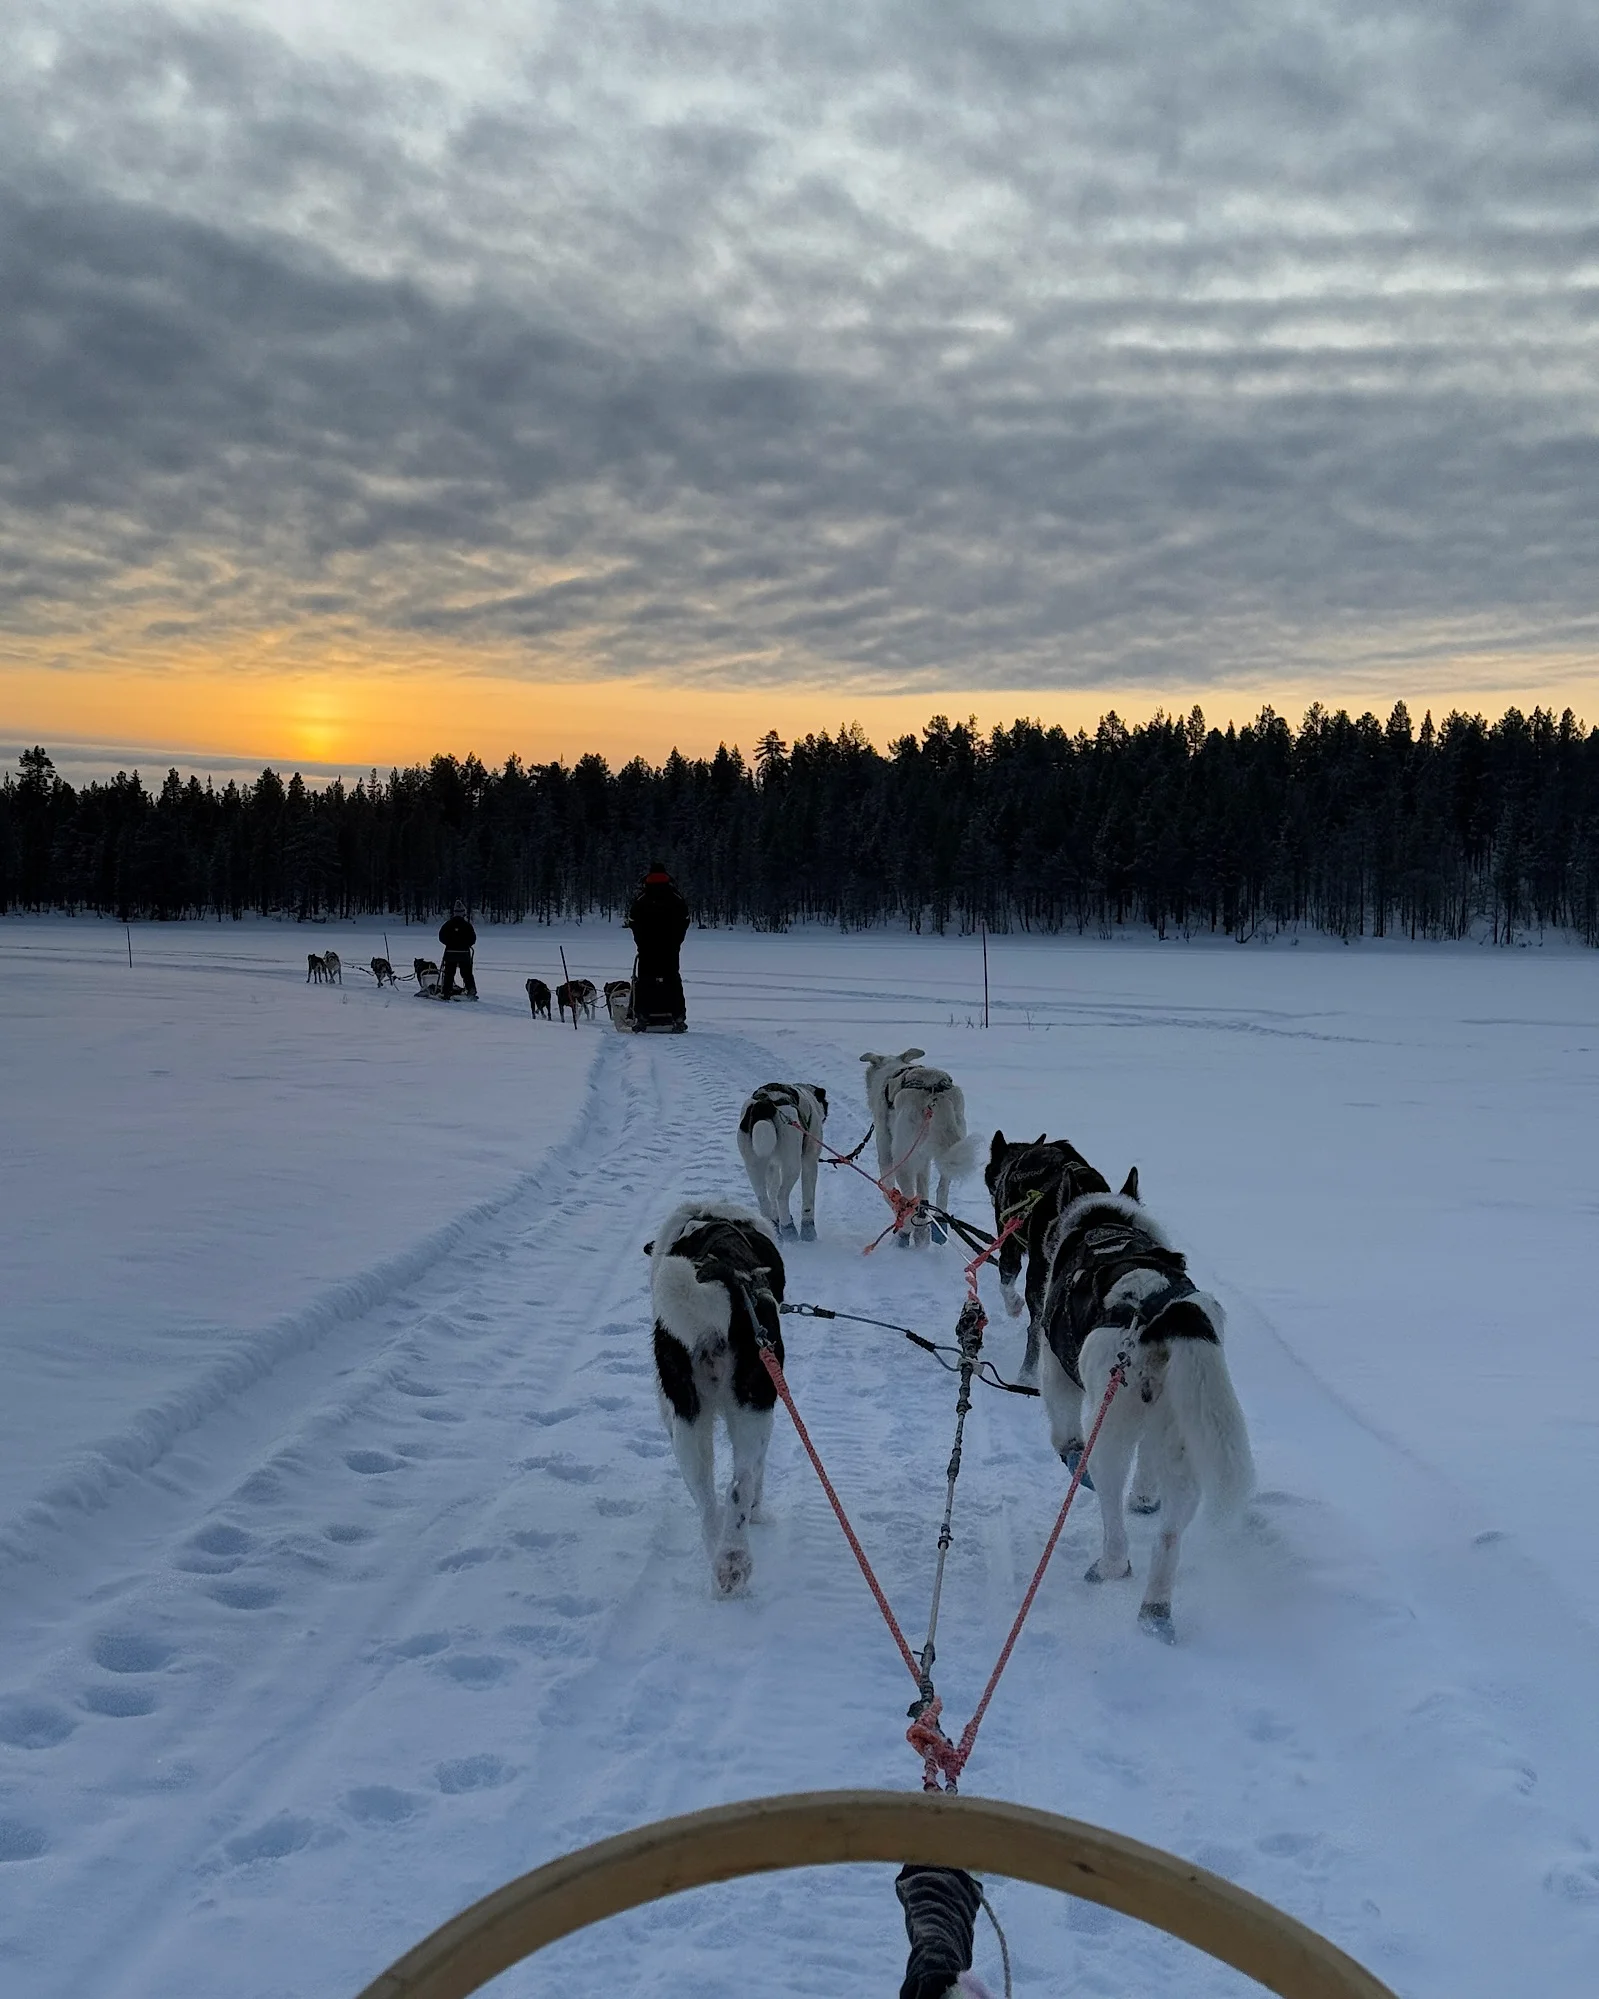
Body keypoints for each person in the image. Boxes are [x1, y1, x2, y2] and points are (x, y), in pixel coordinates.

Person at [626, 862, 689, 1030]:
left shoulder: (642, 897)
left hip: (647, 948)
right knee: (672, 979)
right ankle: (678, 1016)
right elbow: (685, 920)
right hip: (670, 947)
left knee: (645, 980)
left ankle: (642, 1015)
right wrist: (677, 941)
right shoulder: (675, 896)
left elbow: (633, 921)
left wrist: (640, 941)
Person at [438, 900, 478, 999]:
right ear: (463, 913)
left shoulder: (448, 924)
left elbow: (441, 937)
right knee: (466, 973)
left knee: (449, 972)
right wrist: (466, 944)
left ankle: (446, 991)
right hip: (464, 953)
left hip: (450, 953)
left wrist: (449, 943)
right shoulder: (467, 925)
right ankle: (471, 989)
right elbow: (473, 939)